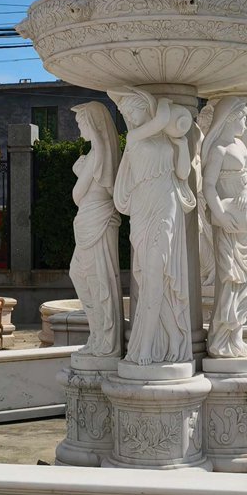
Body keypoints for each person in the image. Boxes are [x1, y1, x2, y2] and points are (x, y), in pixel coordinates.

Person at [110, 87, 195, 366]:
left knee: (157, 277)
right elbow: (160, 120)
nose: (129, 116)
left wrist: (182, 144)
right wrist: (166, 105)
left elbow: (182, 173)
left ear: (146, 107)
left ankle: (146, 345)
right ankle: (175, 336)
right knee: (152, 280)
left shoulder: (165, 138)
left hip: (166, 205)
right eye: (125, 112)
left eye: (132, 109)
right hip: (142, 211)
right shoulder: (134, 137)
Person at [201, 97, 247, 358]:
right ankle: (221, 340)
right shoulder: (219, 150)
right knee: (230, 281)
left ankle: (235, 335)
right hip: (228, 223)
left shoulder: (240, 145)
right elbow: (208, 186)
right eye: (242, 118)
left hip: (244, 224)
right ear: (228, 119)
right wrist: (220, 216)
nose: (245, 123)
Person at [69, 102, 124, 358]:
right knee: (84, 276)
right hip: (91, 221)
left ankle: (105, 339)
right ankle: (98, 334)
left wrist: (78, 171)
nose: (79, 127)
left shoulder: (97, 154)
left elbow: (77, 194)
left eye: (81, 122)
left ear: (92, 123)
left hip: (96, 220)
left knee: (97, 280)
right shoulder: (97, 153)